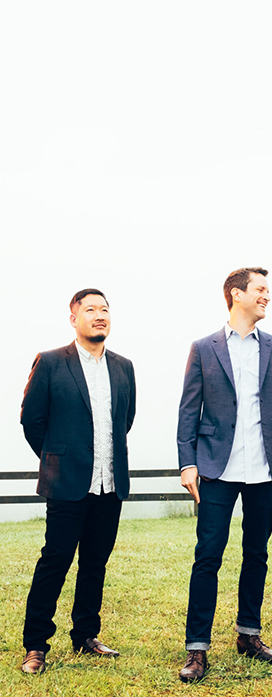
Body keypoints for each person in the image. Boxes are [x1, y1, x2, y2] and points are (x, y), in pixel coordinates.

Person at [177, 267, 272, 683]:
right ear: (236, 294)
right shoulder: (203, 348)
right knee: (207, 557)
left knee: (257, 554)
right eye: (261, 289)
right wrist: (188, 462)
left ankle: (249, 635)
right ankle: (197, 649)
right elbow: (188, 410)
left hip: (265, 468)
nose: (267, 296)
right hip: (216, 467)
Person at [19, 289, 136, 675]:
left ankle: (86, 635)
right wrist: (59, 459)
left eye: (104, 309)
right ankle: (36, 645)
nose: (99, 315)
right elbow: (32, 421)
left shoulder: (123, 367)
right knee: (55, 562)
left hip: (110, 484)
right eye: (90, 310)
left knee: (95, 564)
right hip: (67, 484)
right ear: (74, 318)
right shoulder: (51, 362)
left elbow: (126, 421)